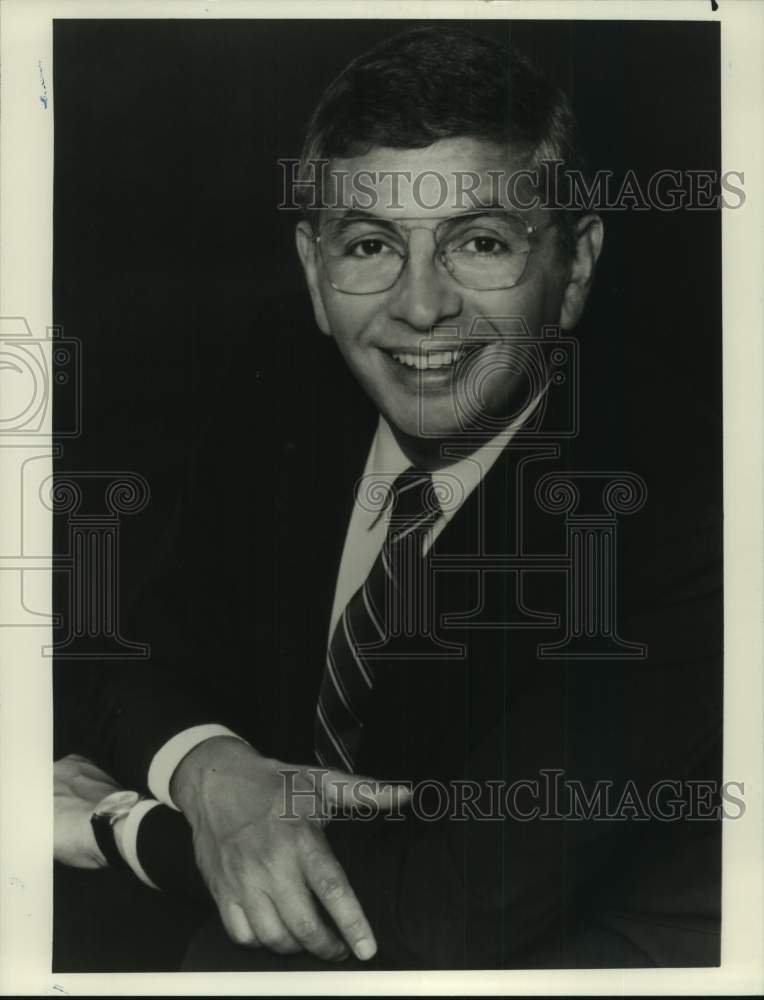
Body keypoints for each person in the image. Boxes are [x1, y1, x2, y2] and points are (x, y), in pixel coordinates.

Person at [54, 25, 723, 971]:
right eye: (370, 245)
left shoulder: (683, 519)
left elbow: (443, 909)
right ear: (314, 273)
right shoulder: (281, 383)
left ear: (573, 269)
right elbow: (130, 652)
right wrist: (211, 771)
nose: (419, 309)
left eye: (480, 243)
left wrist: (119, 825)